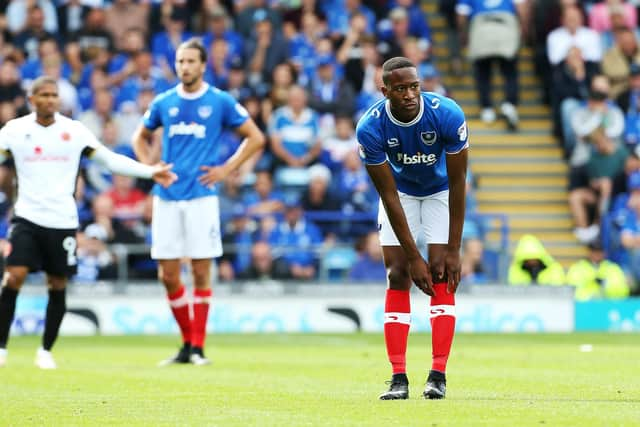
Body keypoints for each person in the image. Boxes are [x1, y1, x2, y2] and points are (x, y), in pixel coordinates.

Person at [0, 76, 176, 369]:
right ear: (32, 100)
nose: (49, 100)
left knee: (57, 284)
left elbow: (108, 160)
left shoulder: (74, 132)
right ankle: (2, 348)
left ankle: (45, 351)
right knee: (14, 276)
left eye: (53, 95)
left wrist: (149, 172)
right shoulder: (15, 131)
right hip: (27, 217)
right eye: (43, 95)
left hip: (62, 220)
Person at [131, 38, 265, 367]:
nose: (185, 67)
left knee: (202, 272)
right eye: (180, 61)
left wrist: (226, 169)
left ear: (203, 65)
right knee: (168, 274)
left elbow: (256, 137)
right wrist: (150, 169)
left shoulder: (219, 101)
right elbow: (139, 136)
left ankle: (197, 348)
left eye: (191, 61)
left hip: (202, 197)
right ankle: (187, 342)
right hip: (167, 197)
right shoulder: (164, 102)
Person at [357, 57, 469, 400]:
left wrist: (453, 249)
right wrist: (412, 255)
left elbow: (458, 181)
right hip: (401, 195)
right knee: (397, 274)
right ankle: (398, 378)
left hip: (440, 193)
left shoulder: (447, 114)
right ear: (385, 90)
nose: (409, 94)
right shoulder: (370, 128)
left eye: (414, 86)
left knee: (440, 273)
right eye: (401, 88)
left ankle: (438, 375)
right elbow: (388, 195)